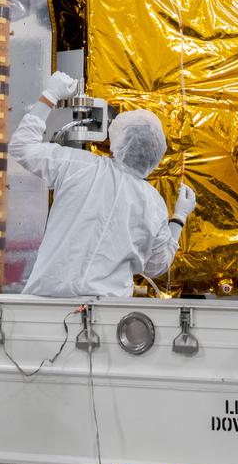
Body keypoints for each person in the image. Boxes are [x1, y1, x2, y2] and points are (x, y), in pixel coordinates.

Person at [10, 71, 196, 297]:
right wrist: (179, 217)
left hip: (47, 304)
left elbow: (21, 148)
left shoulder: (78, 166)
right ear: (155, 158)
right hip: (110, 314)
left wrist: (50, 96)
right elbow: (157, 265)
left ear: (116, 140)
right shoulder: (152, 204)